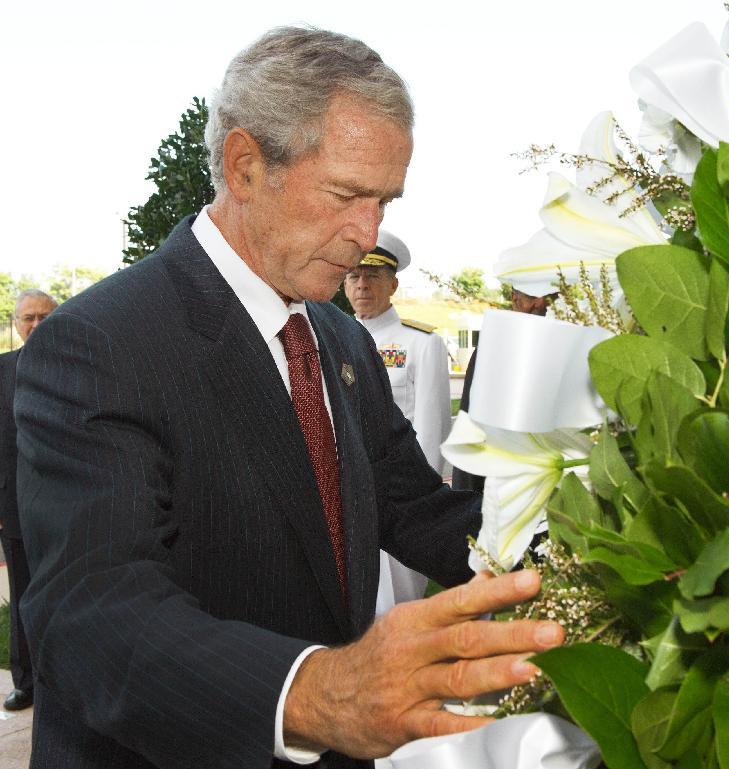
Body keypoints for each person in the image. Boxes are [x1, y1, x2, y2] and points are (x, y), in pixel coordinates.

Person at [14, 27, 563, 769]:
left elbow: (417, 509)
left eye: (384, 201)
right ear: (245, 166)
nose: (369, 233)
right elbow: (96, 613)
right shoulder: (102, 343)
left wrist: (576, 552)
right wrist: (312, 694)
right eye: (346, 194)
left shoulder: (340, 343)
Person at [344, 231, 451, 614]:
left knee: (397, 609)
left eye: (372, 276)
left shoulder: (421, 344)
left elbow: (433, 424)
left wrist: (421, 503)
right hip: (345, 493)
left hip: (400, 498)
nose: (362, 285)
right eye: (353, 276)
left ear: (393, 283)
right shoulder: (334, 339)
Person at [0, 290, 57, 712]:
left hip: (69, 506)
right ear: (16, 324)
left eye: (44, 316)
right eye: (27, 318)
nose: (35, 325)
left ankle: (68, 681)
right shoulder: (0, 372)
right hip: (15, 509)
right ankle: (27, 683)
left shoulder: (81, 363)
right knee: (22, 598)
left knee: (69, 592)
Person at [451, 287, 556, 492]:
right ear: (514, 298)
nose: (541, 304)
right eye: (532, 296)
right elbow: (471, 436)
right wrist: (467, 502)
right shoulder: (492, 353)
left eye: (550, 296)